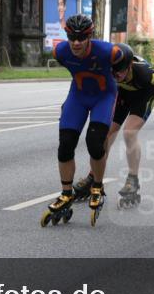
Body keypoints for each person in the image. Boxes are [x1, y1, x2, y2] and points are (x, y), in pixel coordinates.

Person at [73, 43, 154, 207]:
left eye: (121, 70)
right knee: (105, 134)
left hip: (144, 94)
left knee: (129, 132)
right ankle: (94, 177)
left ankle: (133, 179)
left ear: (130, 66)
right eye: (113, 71)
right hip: (123, 94)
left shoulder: (145, 74)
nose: (116, 74)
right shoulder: (110, 70)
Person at [40, 14, 119, 228]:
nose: (76, 43)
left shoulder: (108, 51)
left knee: (95, 143)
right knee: (65, 145)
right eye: (72, 37)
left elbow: (128, 63)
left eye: (81, 38)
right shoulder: (60, 52)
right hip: (79, 96)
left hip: (104, 97)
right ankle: (66, 194)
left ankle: (97, 187)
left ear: (89, 36)